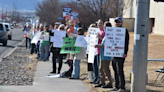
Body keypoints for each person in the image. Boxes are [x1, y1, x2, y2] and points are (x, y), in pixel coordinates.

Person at [110, 17, 129, 92]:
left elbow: (126, 42)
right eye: (116, 22)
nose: (117, 23)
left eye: (119, 22)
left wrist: (125, 52)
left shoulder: (124, 31)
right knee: (115, 69)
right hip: (113, 53)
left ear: (121, 23)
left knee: (119, 70)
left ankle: (122, 87)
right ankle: (116, 86)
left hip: (120, 53)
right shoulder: (113, 30)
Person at [94, 22, 113, 88]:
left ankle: (110, 83)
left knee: (106, 69)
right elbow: (102, 45)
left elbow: (106, 45)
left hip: (106, 56)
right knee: (101, 69)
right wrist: (97, 45)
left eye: (105, 27)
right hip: (102, 55)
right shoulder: (105, 35)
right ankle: (102, 82)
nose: (104, 28)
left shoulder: (110, 35)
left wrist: (98, 46)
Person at [92, 19, 105, 84]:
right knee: (94, 66)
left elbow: (104, 41)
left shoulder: (103, 32)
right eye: (98, 23)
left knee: (99, 66)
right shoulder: (96, 31)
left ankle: (99, 80)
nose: (99, 24)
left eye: (101, 23)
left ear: (103, 24)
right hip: (94, 51)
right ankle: (95, 78)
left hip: (100, 51)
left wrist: (99, 37)